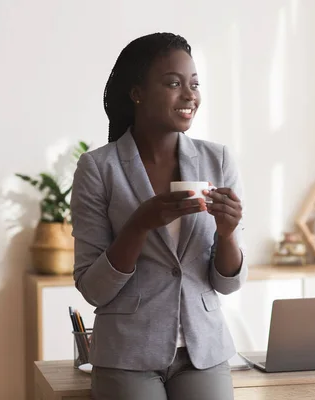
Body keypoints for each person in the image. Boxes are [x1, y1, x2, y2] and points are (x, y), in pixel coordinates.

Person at [70, 32, 246, 400]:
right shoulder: (98, 168)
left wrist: (228, 234)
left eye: (194, 84)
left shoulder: (219, 160)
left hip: (203, 350)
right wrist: (139, 223)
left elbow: (227, 283)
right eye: (173, 83)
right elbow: (93, 289)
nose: (189, 95)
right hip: (126, 352)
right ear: (137, 93)